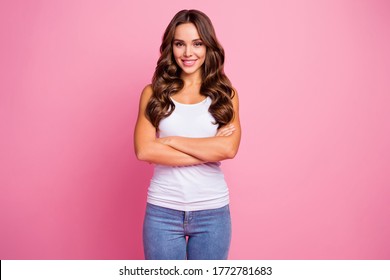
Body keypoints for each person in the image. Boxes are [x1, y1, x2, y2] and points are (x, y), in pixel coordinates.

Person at [134, 9, 241, 260]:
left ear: (208, 47)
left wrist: (171, 142)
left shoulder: (226, 95)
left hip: (212, 213)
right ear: (171, 47)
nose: (188, 53)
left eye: (197, 44)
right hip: (163, 211)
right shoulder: (153, 93)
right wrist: (208, 148)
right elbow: (145, 150)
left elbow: (228, 150)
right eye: (180, 44)